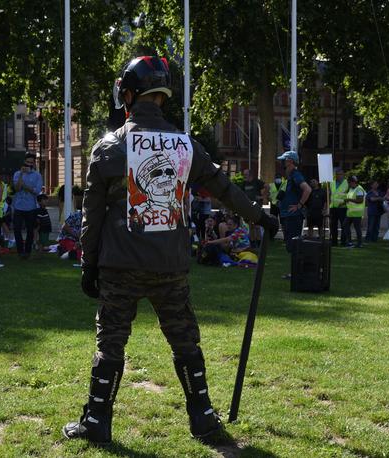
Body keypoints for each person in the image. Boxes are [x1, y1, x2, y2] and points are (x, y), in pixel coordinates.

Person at [62, 55, 277, 444]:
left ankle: (96, 421)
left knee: (110, 341)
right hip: (170, 264)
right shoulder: (185, 146)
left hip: (120, 264)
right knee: (184, 340)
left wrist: (87, 266)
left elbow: (91, 219)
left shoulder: (109, 147)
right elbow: (224, 189)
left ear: (128, 94)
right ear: (162, 96)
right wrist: (259, 218)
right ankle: (205, 420)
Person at [277, 150, 311, 278]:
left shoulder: (296, 175)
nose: (282, 163)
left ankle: (297, 272)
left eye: (283, 161)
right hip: (288, 216)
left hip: (293, 217)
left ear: (290, 161)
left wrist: (299, 205)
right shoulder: (290, 177)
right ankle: (295, 272)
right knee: (291, 246)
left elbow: (307, 189)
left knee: (294, 246)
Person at [12, 156, 43, 259]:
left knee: (30, 230)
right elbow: (16, 188)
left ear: (34, 164)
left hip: (31, 207)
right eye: (27, 163)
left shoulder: (37, 175)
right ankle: (20, 251)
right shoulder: (17, 173)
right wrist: (21, 174)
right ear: (24, 163)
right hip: (18, 206)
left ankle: (28, 251)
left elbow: (37, 191)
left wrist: (25, 187)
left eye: (31, 163)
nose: (28, 165)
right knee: (17, 229)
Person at [241, 169, 265, 247]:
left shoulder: (257, 182)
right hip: (248, 206)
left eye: (246, 174)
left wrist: (262, 197)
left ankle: (259, 241)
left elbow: (267, 187)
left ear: (250, 174)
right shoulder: (244, 183)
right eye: (244, 174)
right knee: (250, 225)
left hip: (256, 206)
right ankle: (252, 242)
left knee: (257, 225)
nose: (244, 176)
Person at [343, 176, 366, 248]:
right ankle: (349, 242)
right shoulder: (351, 189)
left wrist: (349, 200)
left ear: (353, 182)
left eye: (349, 183)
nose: (348, 184)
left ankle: (359, 243)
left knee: (357, 228)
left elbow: (360, 200)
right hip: (350, 212)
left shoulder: (359, 189)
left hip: (357, 213)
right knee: (345, 225)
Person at [329, 168, 349, 246]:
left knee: (343, 225)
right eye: (337, 174)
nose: (338, 176)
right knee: (333, 226)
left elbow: (350, 195)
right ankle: (334, 242)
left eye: (340, 174)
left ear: (343, 175)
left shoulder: (347, 183)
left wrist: (345, 203)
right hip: (333, 207)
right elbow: (330, 194)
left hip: (343, 207)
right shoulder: (332, 183)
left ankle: (343, 242)